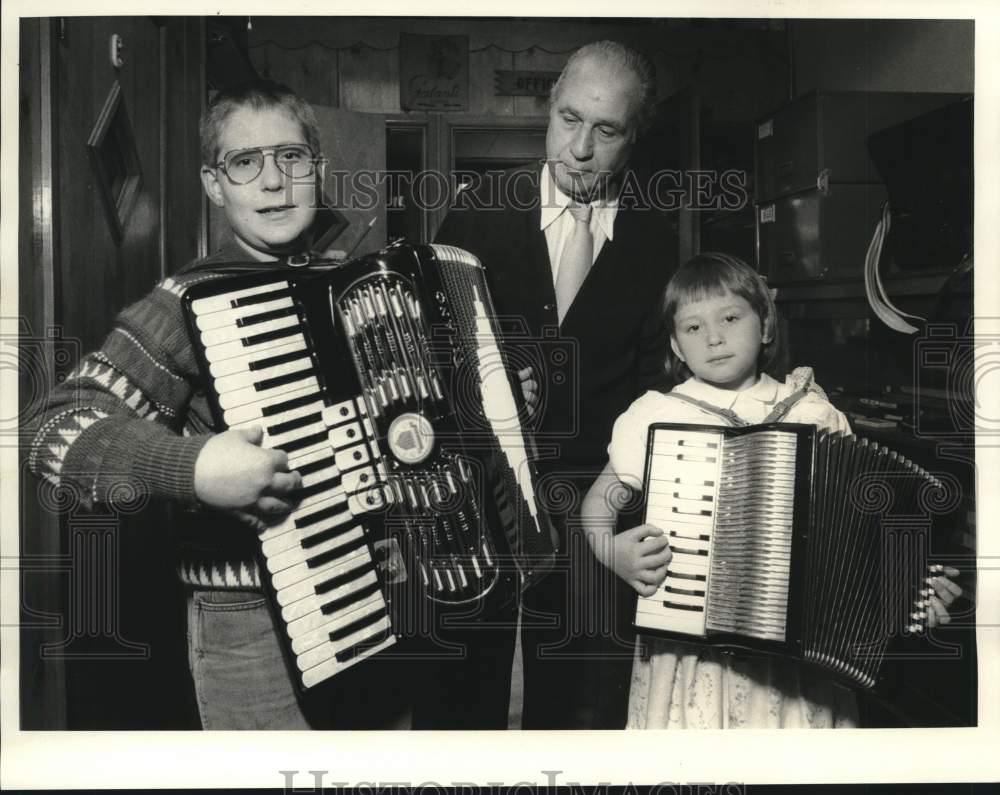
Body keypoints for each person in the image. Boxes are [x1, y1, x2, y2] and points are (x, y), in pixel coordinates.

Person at [27, 79, 369, 729]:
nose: (274, 180)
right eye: (246, 162)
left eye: (291, 157)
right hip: (250, 627)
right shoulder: (184, 302)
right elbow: (50, 430)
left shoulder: (349, 281)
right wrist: (191, 466)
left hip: (368, 598)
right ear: (215, 185)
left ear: (317, 171)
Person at [411, 40, 677, 730]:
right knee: (458, 700)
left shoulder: (655, 242)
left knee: (580, 709)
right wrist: (482, 392)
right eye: (568, 118)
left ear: (633, 137)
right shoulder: (479, 211)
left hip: (595, 509)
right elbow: (422, 355)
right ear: (549, 110)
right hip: (478, 502)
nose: (580, 148)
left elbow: (656, 391)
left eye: (606, 129)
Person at [581, 251, 963, 729]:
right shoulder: (658, 414)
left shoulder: (813, 413)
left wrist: (911, 586)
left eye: (730, 317)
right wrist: (610, 550)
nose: (714, 337)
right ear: (676, 347)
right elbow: (598, 502)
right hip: (693, 657)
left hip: (800, 669)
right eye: (693, 328)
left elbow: (863, 522)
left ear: (765, 326)